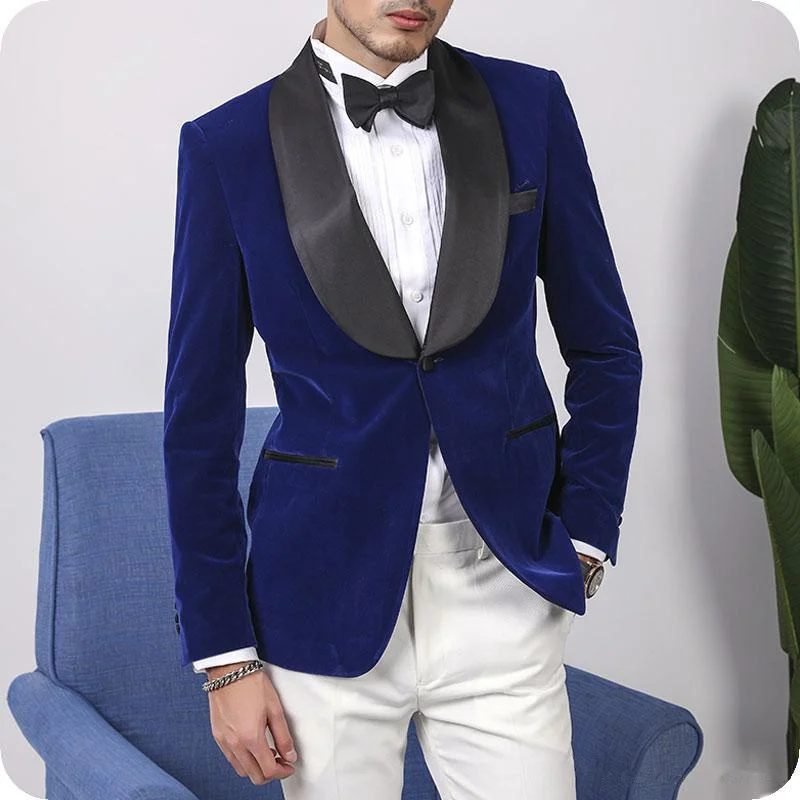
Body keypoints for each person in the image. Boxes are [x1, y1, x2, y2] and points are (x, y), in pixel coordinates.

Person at [163, 0, 642, 796]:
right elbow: (198, 422)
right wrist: (225, 660)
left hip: (502, 578)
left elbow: (606, 347)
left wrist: (587, 535)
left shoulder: (531, 105)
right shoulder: (228, 145)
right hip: (318, 593)